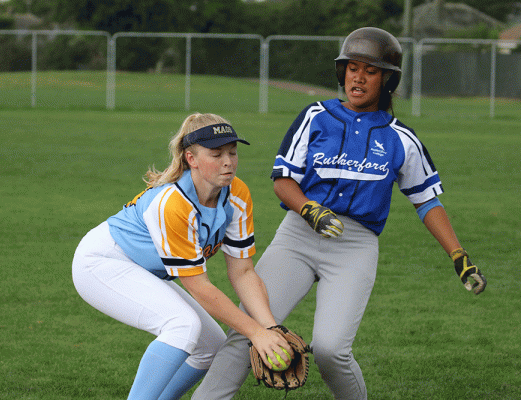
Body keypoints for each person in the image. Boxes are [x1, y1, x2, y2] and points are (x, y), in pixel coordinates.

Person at [192, 27, 487, 400]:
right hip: (298, 235)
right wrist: (310, 209)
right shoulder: (315, 116)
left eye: (370, 70)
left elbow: (426, 200)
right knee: (249, 330)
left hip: (354, 245)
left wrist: (458, 255)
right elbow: (283, 181)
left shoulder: (401, 138)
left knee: (332, 350)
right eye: (352, 67)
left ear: (388, 79)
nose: (358, 77)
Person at [72, 112, 294, 400]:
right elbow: (199, 286)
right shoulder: (172, 203)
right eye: (216, 154)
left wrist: (270, 328)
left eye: (232, 152)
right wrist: (255, 333)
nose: (228, 161)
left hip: (144, 269)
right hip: (103, 263)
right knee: (182, 325)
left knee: (211, 345)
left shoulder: (236, 194)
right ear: (191, 158)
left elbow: (243, 272)